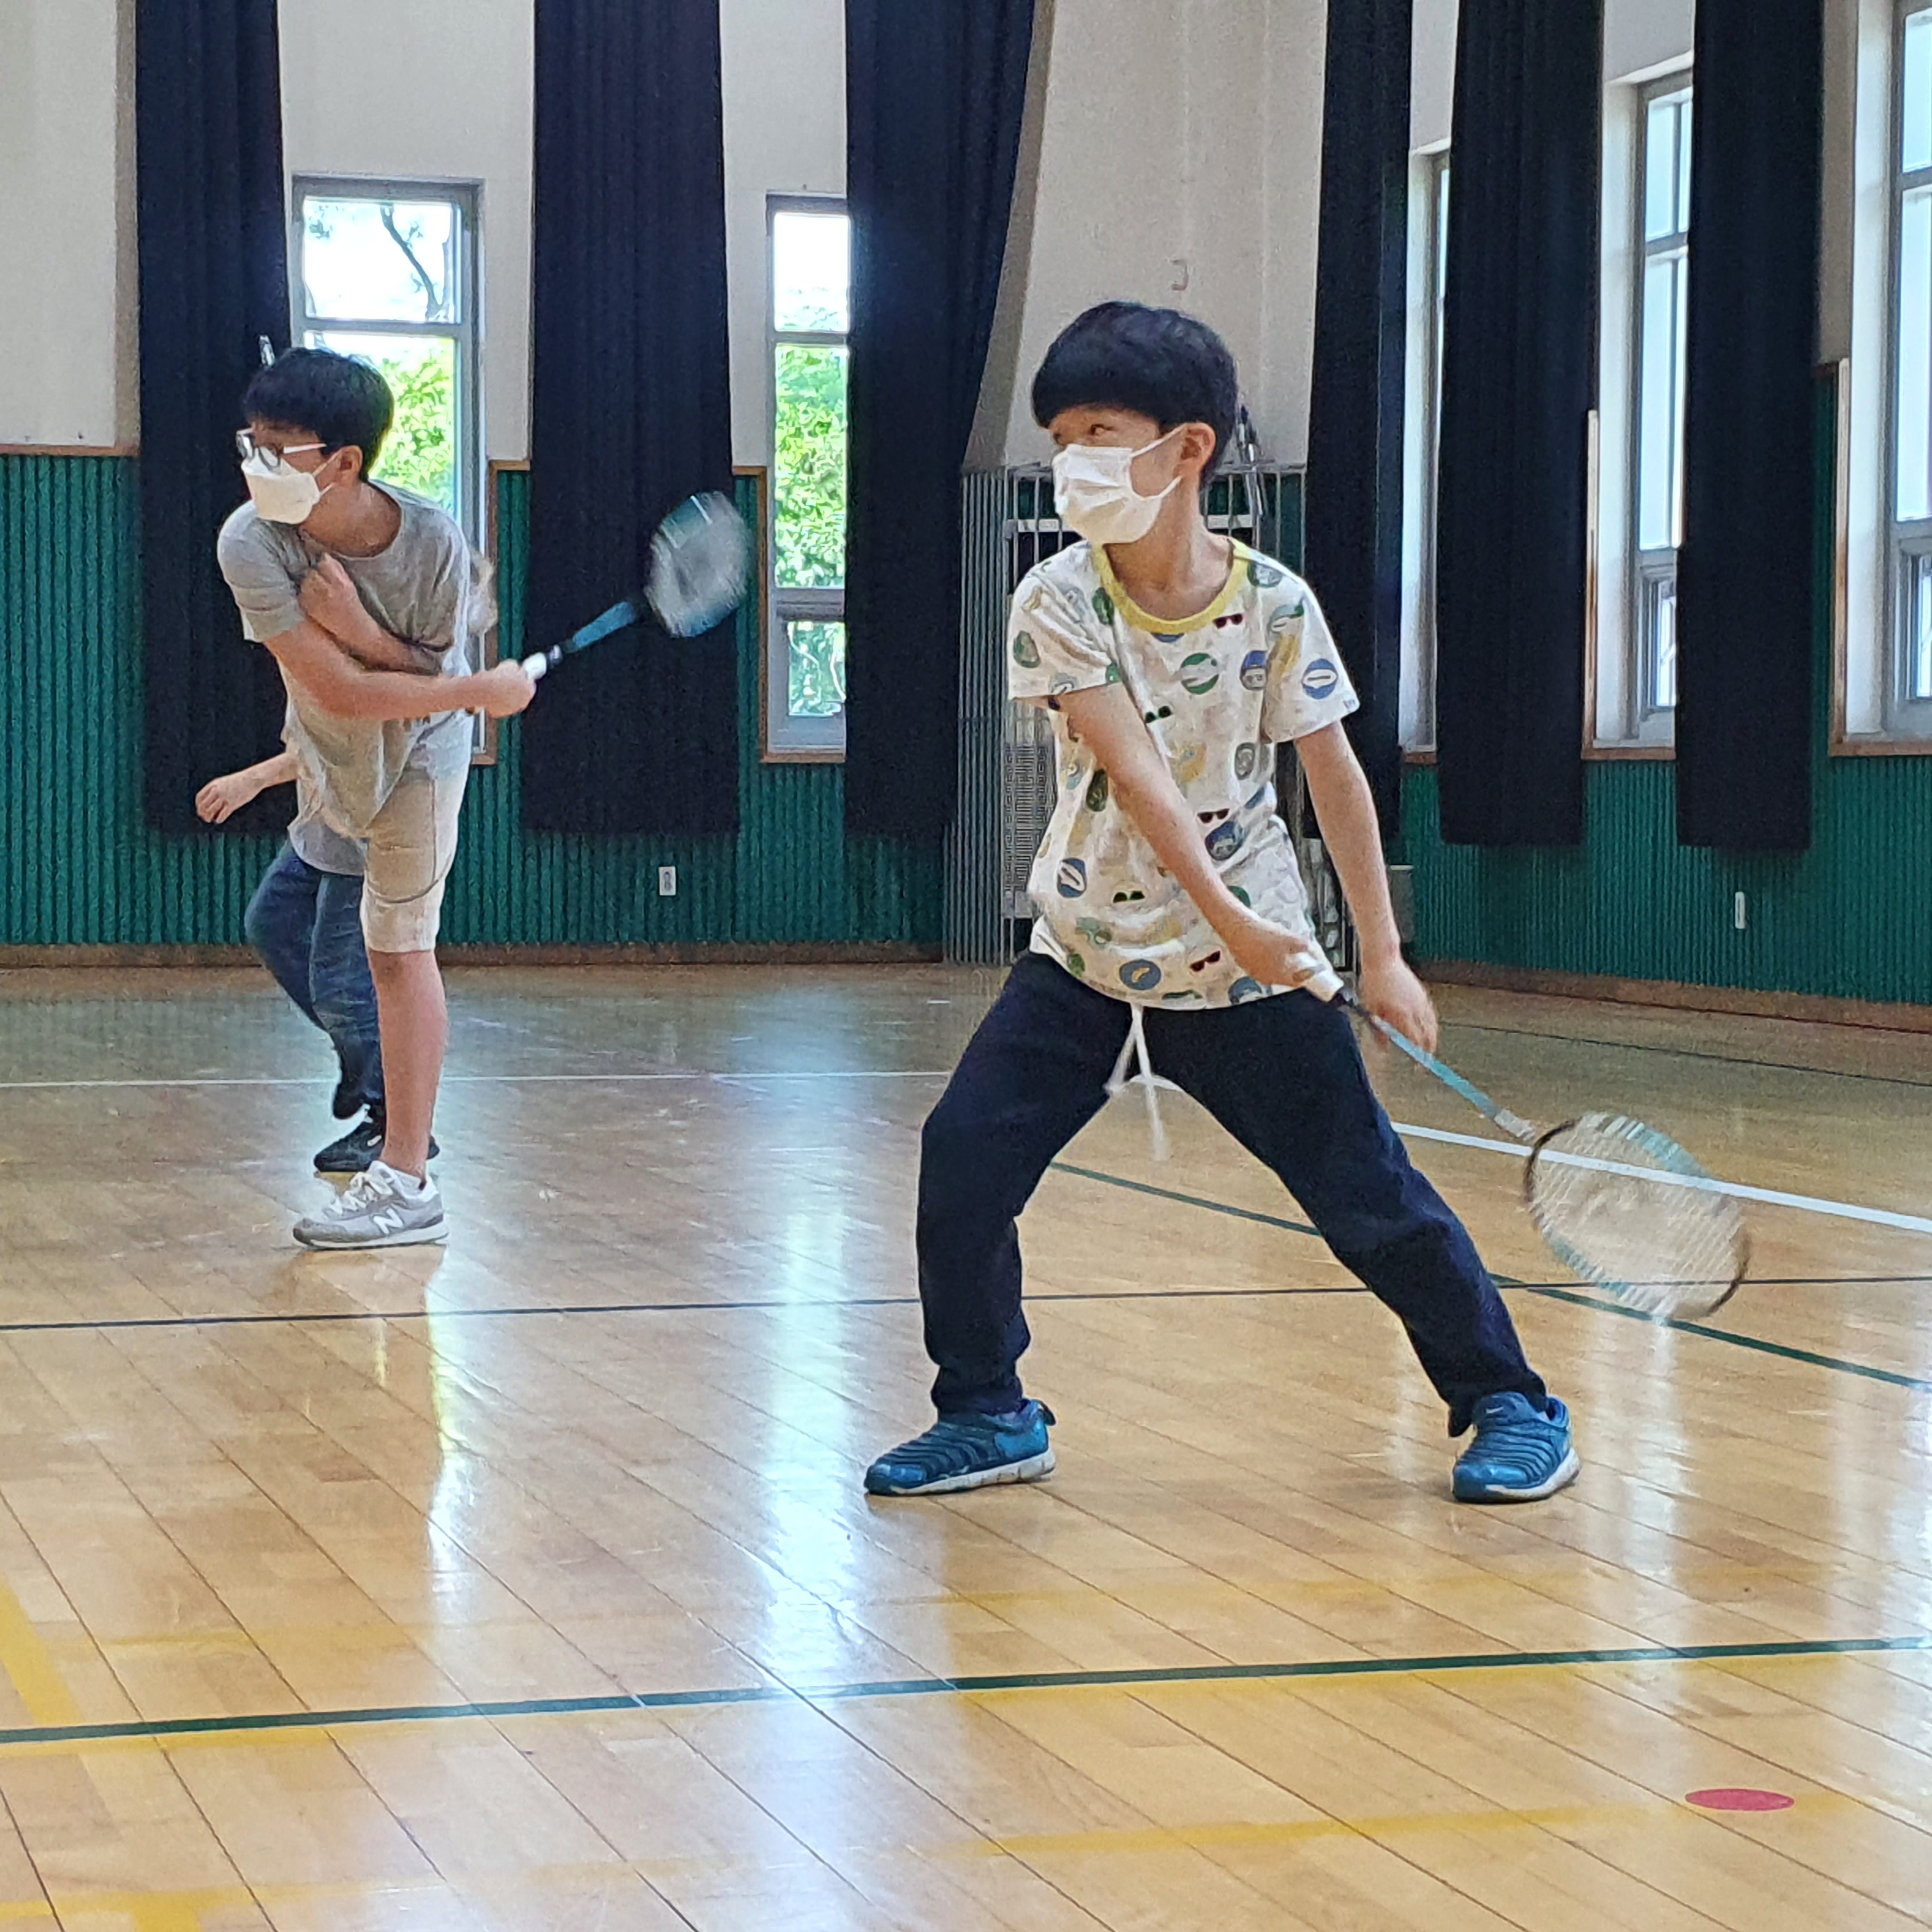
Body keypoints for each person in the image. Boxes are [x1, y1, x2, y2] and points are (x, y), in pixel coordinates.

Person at [864, 303, 1578, 1506]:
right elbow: (1137, 775)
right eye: (1059, 440)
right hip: (1088, 955)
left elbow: (1335, 779)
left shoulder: (1275, 603)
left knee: (1370, 1200)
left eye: (1097, 434)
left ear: (1186, 447)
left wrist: (1383, 953)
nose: (1071, 463)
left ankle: (1509, 1400)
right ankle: (986, 1410)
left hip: (1246, 975)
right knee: (965, 1159)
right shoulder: (1056, 598)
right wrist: (1227, 910)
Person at [215, 348, 532, 1248]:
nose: (256, 464)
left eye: (279, 449)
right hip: (330, 745)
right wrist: (471, 686)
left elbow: (420, 684)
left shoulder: (433, 543)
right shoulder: (251, 541)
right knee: (287, 923)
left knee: (396, 949)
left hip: (424, 755)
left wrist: (374, 637)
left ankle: (406, 1177)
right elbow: (343, 691)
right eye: (251, 444)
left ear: (345, 461)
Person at [195, 731, 436, 1176]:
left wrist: (251, 780)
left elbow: (339, 746)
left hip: (370, 836)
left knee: (340, 990)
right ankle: (361, 1055)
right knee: (271, 923)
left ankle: (392, 1121)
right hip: (321, 830)